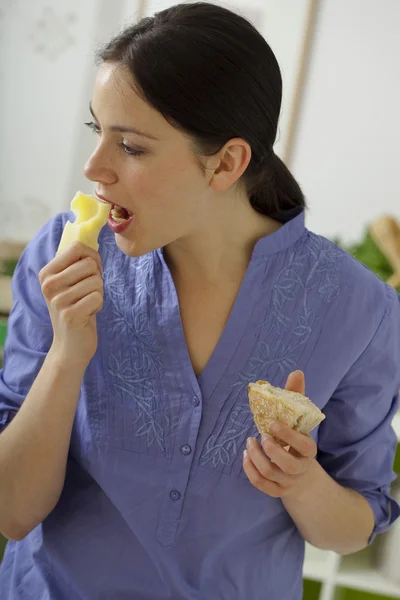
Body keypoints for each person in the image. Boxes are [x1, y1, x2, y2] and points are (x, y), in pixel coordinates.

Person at [0, 2, 399, 599]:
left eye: (131, 147)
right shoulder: (60, 262)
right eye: (96, 132)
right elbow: (11, 512)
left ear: (227, 162)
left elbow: (352, 529)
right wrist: (66, 353)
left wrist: (300, 480)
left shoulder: (359, 309)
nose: (94, 168)